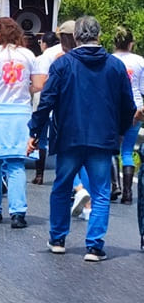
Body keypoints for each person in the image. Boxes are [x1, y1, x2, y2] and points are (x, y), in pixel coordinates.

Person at [27, 16, 136, 261]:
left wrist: (35, 131)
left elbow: (47, 101)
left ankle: (57, 239)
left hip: (68, 137)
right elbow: (128, 106)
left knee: (62, 187)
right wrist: (118, 132)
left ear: (76, 36)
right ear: (99, 35)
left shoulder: (63, 64)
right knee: (100, 192)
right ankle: (95, 246)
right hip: (102, 137)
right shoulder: (115, 66)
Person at [0, 17, 43, 229]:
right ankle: (18, 212)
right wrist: (24, 90)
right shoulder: (29, 55)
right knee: (16, 163)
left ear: (0, 33)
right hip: (20, 113)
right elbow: (39, 84)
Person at [112, 26, 144, 204]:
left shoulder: (109, 60)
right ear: (131, 44)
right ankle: (128, 193)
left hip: (114, 110)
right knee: (128, 151)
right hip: (136, 109)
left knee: (112, 149)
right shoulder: (140, 61)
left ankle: (114, 184)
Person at [31, 30, 62, 185]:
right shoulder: (65, 50)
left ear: (44, 43)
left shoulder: (44, 57)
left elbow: (40, 83)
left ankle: (39, 175)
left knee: (40, 139)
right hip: (61, 102)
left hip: (44, 100)